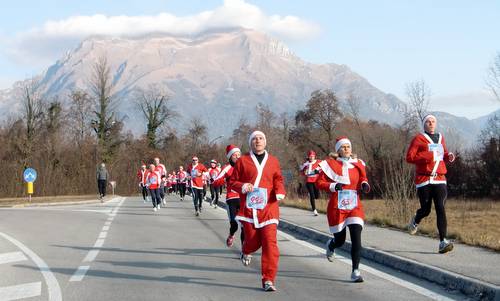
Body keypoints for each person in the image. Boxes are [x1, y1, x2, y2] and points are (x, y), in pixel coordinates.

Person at [230, 131, 286, 292]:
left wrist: (280, 190)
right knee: (253, 241)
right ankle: (246, 250)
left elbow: (278, 179)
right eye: (254, 138)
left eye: (261, 138)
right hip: (249, 209)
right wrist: (242, 186)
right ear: (250, 143)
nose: (258, 141)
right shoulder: (243, 161)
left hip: (269, 208)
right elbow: (233, 181)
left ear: (265, 142)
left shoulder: (273, 161)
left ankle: (268, 279)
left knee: (270, 243)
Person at [316, 136, 370, 283]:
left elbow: (363, 178)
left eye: (348, 147)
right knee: (340, 240)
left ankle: (355, 271)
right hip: (337, 206)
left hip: (354, 205)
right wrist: (333, 186)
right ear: (338, 150)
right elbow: (319, 182)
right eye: (343, 147)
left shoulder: (358, 164)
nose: (346, 149)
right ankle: (332, 245)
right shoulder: (330, 164)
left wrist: (364, 184)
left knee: (356, 236)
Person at [406, 114, 456, 254]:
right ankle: (416, 219)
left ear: (436, 123)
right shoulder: (418, 138)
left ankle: (443, 241)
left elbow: (443, 154)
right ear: (424, 124)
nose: (431, 123)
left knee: (440, 207)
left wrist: (449, 156)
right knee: (426, 210)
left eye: (433, 121)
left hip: (439, 178)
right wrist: (429, 155)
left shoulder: (440, 137)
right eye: (428, 121)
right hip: (424, 180)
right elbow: (410, 157)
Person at [213, 144, 244, 247]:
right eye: (235, 155)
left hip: (243, 198)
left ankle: (245, 251)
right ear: (230, 157)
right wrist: (226, 179)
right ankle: (231, 235)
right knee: (234, 225)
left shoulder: (245, 166)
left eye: (239, 154)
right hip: (232, 198)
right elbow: (216, 182)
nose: (237, 157)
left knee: (245, 225)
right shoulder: (227, 168)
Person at [300, 150, 321, 216]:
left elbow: (324, 167)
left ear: (314, 156)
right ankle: (314, 210)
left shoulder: (319, 162)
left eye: (312, 156)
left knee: (317, 196)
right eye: (310, 156)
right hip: (309, 181)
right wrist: (304, 172)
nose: (311, 158)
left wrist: (319, 171)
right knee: (312, 195)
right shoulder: (305, 164)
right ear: (308, 157)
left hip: (316, 181)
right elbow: (302, 172)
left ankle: (314, 196)